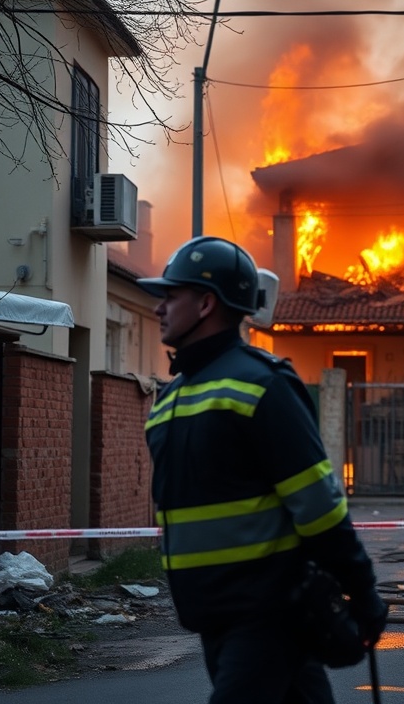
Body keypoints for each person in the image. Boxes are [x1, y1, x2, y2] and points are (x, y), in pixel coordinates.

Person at [138, 236, 387, 703]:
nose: (159, 309)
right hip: (211, 610)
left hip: (269, 610)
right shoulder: (171, 395)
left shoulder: (262, 385)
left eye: (172, 296)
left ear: (207, 303)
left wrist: (363, 592)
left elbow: (319, 506)